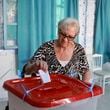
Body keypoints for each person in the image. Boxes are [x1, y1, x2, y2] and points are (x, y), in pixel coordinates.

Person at [23, 18, 91, 83]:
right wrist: (34, 66)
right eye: (63, 34)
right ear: (58, 31)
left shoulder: (79, 50)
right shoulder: (46, 47)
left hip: (73, 91)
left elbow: (85, 71)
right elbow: (26, 70)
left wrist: (85, 85)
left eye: (70, 37)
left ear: (75, 36)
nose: (65, 39)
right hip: (50, 91)